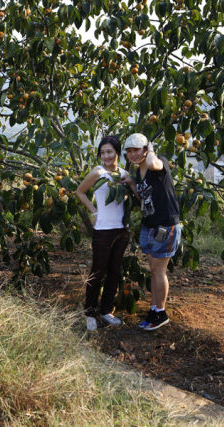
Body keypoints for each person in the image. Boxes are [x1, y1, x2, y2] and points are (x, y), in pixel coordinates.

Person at [120, 133, 181, 331]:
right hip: (150, 225)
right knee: (154, 269)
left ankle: (160, 312)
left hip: (165, 224)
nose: (133, 154)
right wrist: (131, 182)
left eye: (136, 150)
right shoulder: (139, 172)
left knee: (159, 270)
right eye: (129, 151)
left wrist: (151, 150)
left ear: (146, 149)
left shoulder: (158, 162)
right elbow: (142, 197)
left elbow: (155, 163)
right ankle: (154, 310)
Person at [76, 136, 131, 331]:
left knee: (114, 272)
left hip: (121, 230)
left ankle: (106, 310)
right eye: (102, 152)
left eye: (109, 151)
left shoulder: (124, 174)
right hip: (102, 231)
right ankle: (89, 312)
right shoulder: (97, 172)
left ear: (117, 152)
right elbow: (80, 192)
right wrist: (94, 211)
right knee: (97, 272)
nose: (106, 156)